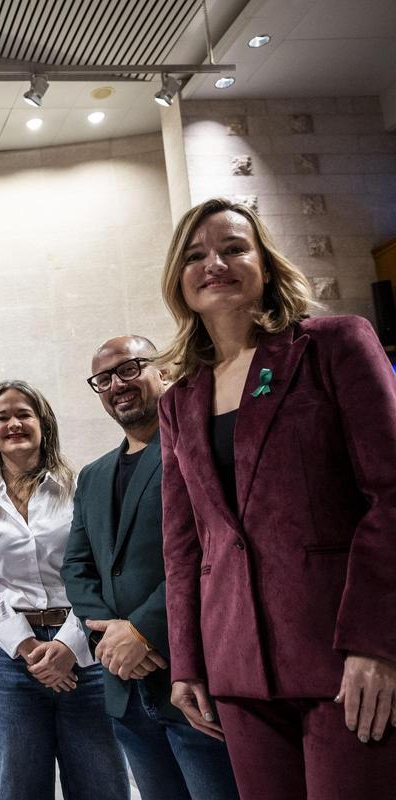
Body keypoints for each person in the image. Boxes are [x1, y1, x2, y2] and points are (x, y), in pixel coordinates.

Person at [157, 197, 396, 799]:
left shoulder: (334, 344)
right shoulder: (178, 399)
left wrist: (377, 641)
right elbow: (185, 545)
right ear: (178, 281)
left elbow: (390, 496)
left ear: (264, 261)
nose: (215, 262)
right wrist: (187, 661)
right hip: (236, 667)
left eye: (234, 247)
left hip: (341, 658)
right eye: (195, 255)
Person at [62, 335, 238, 799]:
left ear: (163, 370)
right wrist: (110, 635)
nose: (116, 384)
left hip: (194, 677)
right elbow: (77, 567)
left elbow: (213, 549)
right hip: (125, 687)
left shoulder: (195, 445)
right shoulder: (94, 475)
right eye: (102, 379)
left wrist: (142, 631)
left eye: (129, 368)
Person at [0, 380, 128, 800]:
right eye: (2, 417)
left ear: (43, 423)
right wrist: (26, 645)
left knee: (100, 783)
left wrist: (69, 645)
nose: (13, 423)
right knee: (19, 787)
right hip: (7, 660)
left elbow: (101, 570)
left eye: (23, 414)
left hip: (86, 650)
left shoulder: (81, 486)